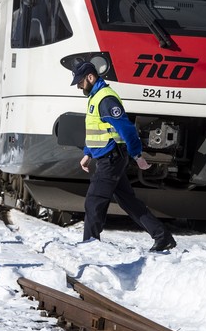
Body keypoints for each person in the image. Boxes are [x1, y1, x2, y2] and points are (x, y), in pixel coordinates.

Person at [70, 61, 176, 252]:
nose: (78, 85)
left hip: (111, 159)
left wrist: (137, 155)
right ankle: (162, 236)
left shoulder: (106, 99)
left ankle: (90, 245)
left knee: (94, 201)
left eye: (80, 81)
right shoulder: (95, 97)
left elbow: (126, 129)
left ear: (91, 77)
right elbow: (99, 130)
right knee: (128, 201)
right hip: (108, 157)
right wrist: (87, 153)